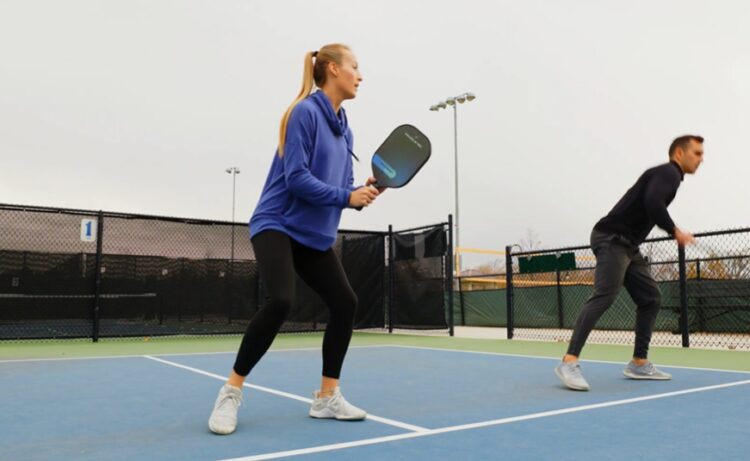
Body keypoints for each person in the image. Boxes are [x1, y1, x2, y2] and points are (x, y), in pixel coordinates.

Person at [208, 43, 381, 434]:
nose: (361, 75)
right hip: (277, 223)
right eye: (355, 67)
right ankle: (231, 391)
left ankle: (326, 397)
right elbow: (297, 179)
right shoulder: (304, 112)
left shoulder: (345, 127)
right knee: (282, 299)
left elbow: (336, 188)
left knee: (345, 302)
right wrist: (345, 196)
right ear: (333, 69)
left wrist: (360, 193)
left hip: (312, 233)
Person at [555, 135, 704, 391]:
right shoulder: (668, 173)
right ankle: (569, 361)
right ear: (679, 153)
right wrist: (674, 230)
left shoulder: (669, 177)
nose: (701, 159)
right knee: (605, 295)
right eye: (697, 153)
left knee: (650, 298)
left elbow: (650, 204)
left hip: (628, 244)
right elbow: (653, 203)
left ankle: (638, 362)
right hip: (612, 238)